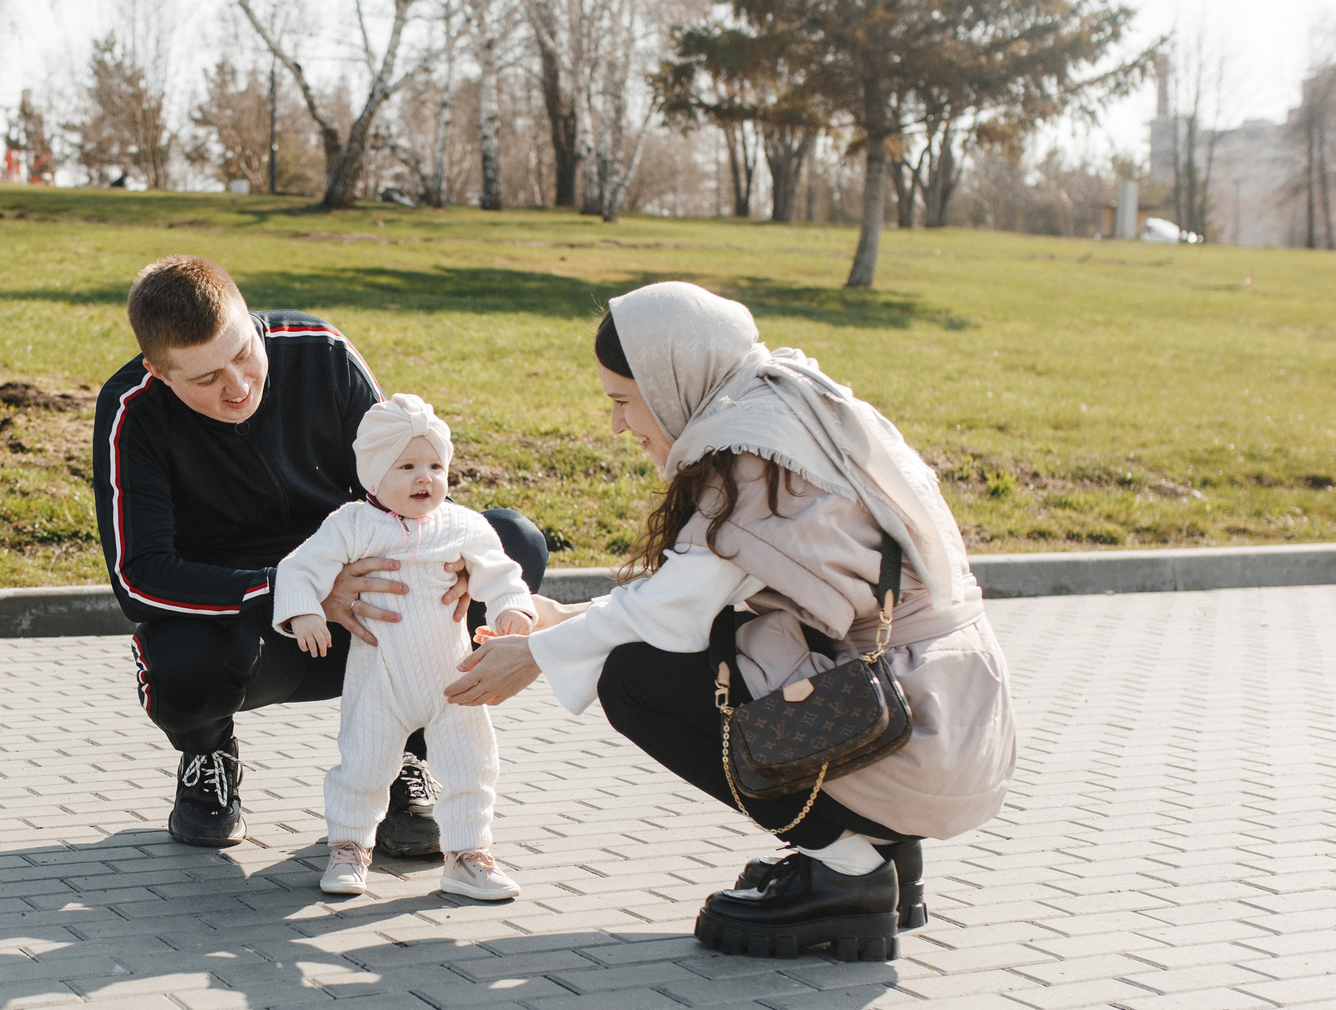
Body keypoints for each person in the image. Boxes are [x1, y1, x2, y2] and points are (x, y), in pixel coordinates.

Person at [446, 281, 1017, 960]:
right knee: (722, 642)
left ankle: (849, 874)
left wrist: (537, 655)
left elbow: (671, 615)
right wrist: (559, 619)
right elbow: (693, 592)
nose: (617, 425)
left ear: (670, 379)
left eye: (623, 400)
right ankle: (884, 852)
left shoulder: (752, 458)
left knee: (635, 679)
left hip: (916, 730)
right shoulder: (787, 406)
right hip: (944, 713)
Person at [94, 255, 552, 850]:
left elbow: (402, 474)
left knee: (513, 542)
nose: (237, 386)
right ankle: (208, 756)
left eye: (243, 353)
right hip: (262, 626)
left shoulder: (319, 350)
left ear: (250, 320)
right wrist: (297, 589)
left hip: (377, 608)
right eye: (205, 379)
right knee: (179, 663)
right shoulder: (132, 410)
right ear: (159, 371)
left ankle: (409, 757)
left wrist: (453, 558)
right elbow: (139, 577)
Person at [275, 395, 536, 900]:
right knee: (363, 764)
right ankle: (349, 846)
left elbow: (500, 571)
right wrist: (303, 611)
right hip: (379, 679)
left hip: (452, 677)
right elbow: (300, 568)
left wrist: (512, 609)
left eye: (436, 466)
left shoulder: (461, 525)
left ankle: (467, 856)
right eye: (408, 466)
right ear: (374, 475)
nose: (425, 478)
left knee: (472, 762)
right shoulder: (353, 524)